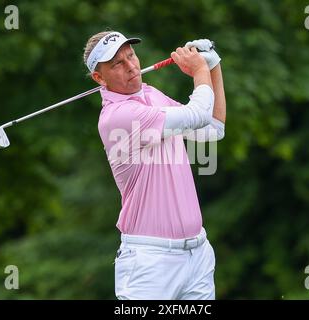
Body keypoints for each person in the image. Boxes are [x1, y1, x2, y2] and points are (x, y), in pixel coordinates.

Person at [83, 30, 226, 300]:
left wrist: (213, 65)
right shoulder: (118, 116)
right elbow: (196, 115)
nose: (131, 66)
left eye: (131, 56)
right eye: (117, 64)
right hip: (150, 262)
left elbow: (212, 129)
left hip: (197, 255)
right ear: (99, 78)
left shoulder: (152, 96)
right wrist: (199, 71)